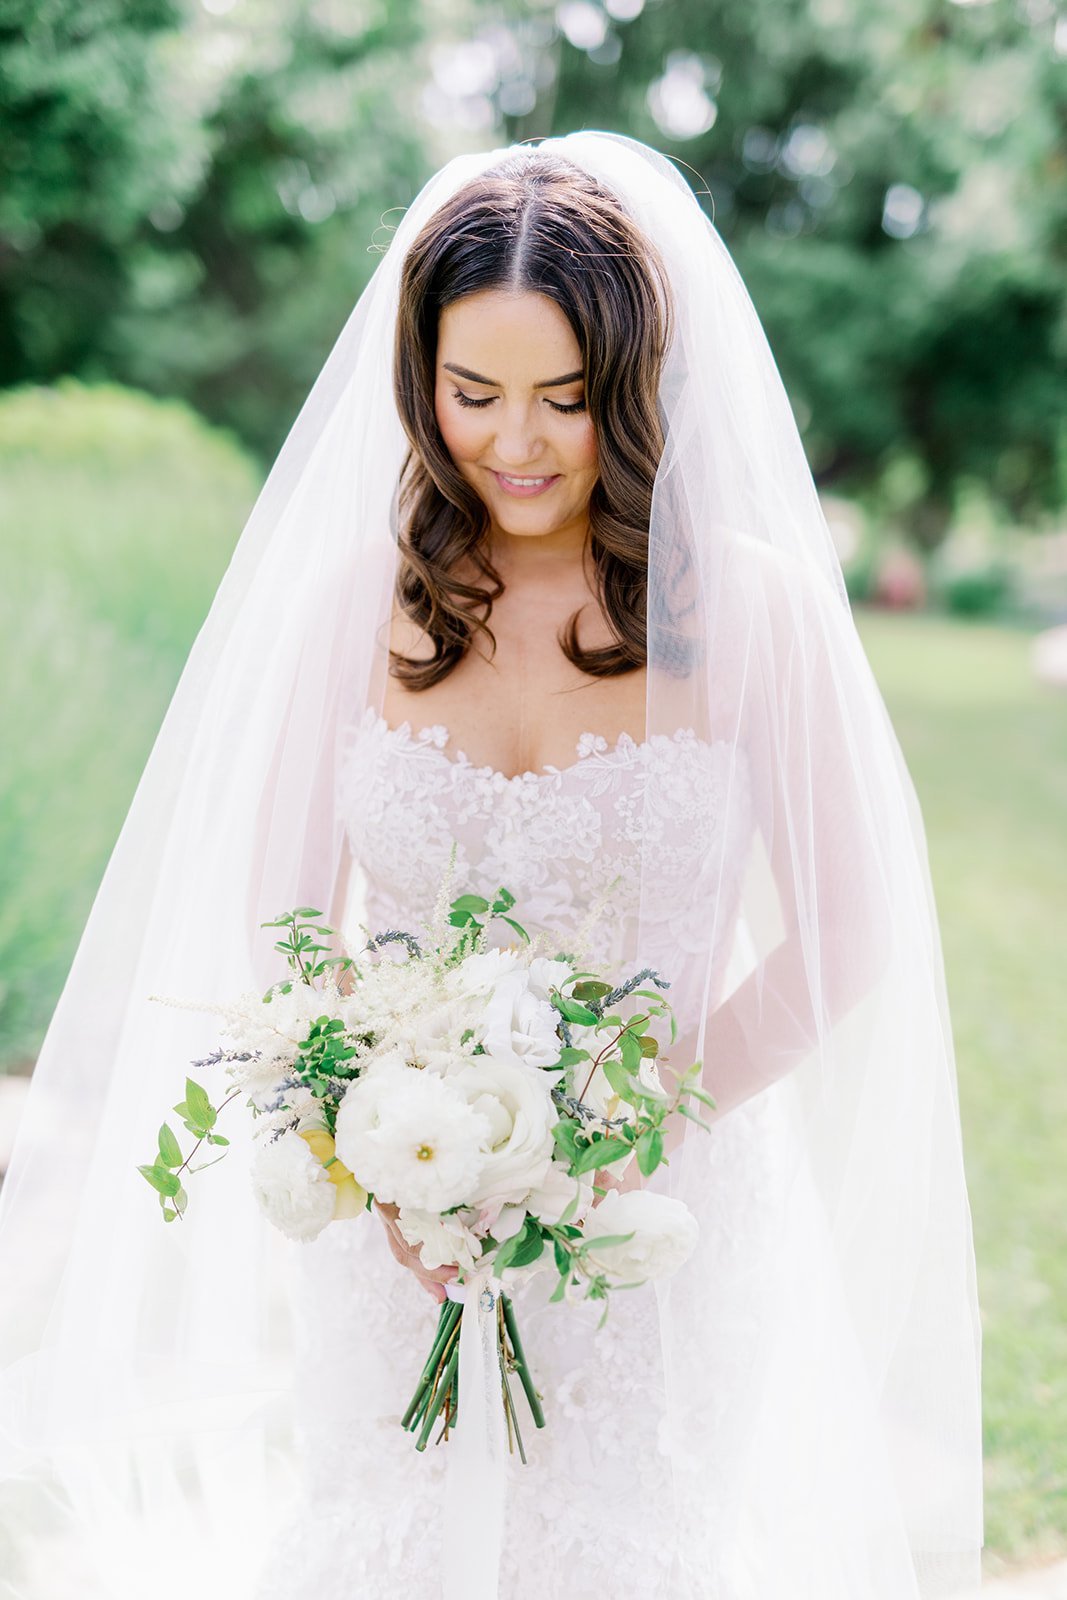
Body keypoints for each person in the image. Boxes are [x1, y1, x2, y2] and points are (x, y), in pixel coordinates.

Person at [0, 133, 982, 1600]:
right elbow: (284, 925)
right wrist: (384, 1145)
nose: (515, 442)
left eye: (564, 399)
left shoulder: (747, 611)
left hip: (663, 1224)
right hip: (398, 1223)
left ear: (634, 388)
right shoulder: (358, 603)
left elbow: (851, 925)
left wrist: (642, 1119)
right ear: (422, 381)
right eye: (474, 395)